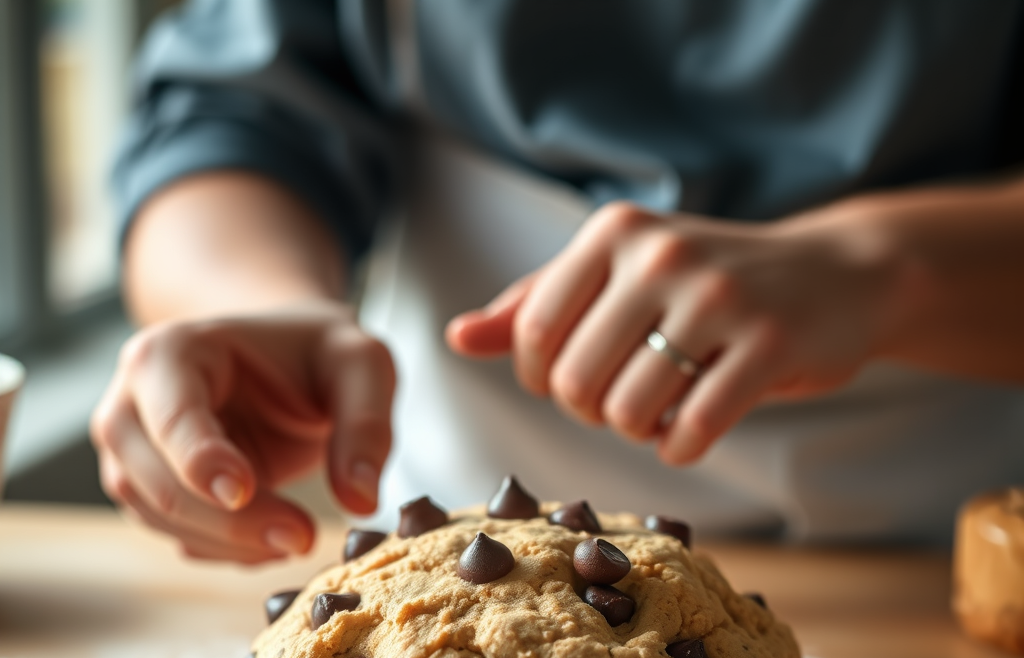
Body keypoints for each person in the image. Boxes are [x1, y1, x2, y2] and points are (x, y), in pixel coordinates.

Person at [92, 0, 1024, 564]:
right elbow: (233, 106)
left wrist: (886, 269)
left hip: (955, 547)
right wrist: (251, 303)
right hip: (441, 516)